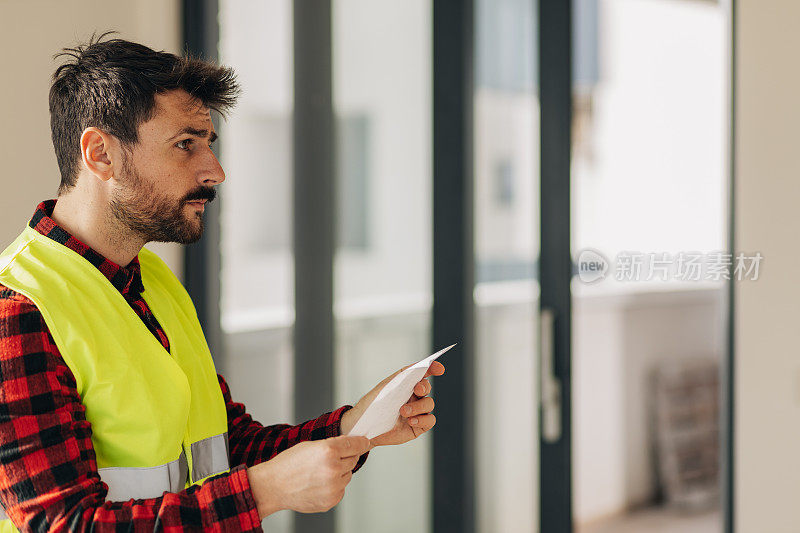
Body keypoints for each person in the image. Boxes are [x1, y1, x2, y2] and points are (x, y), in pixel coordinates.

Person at [0, 34, 444, 531]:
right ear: (100, 153)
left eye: (208, 144)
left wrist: (355, 427)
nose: (215, 171)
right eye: (185, 144)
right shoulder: (19, 310)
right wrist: (265, 492)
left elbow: (228, 446)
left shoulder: (155, 282)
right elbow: (67, 525)